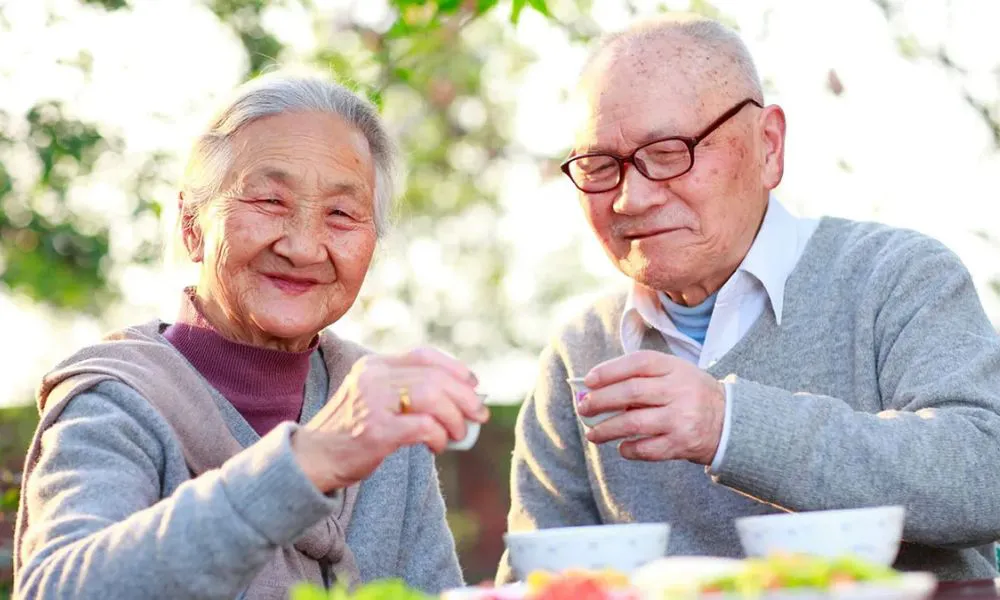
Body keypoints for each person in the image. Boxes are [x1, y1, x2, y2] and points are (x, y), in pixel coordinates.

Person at [499, 14, 1000, 582]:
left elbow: (985, 474)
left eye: (667, 152)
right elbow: (534, 580)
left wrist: (729, 424)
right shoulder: (581, 348)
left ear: (768, 145)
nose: (629, 198)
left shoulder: (896, 276)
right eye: (599, 166)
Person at [14, 71, 489, 599]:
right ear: (193, 225)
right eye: (268, 202)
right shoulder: (118, 399)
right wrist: (308, 460)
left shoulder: (377, 402)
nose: (304, 247)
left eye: (341, 214)